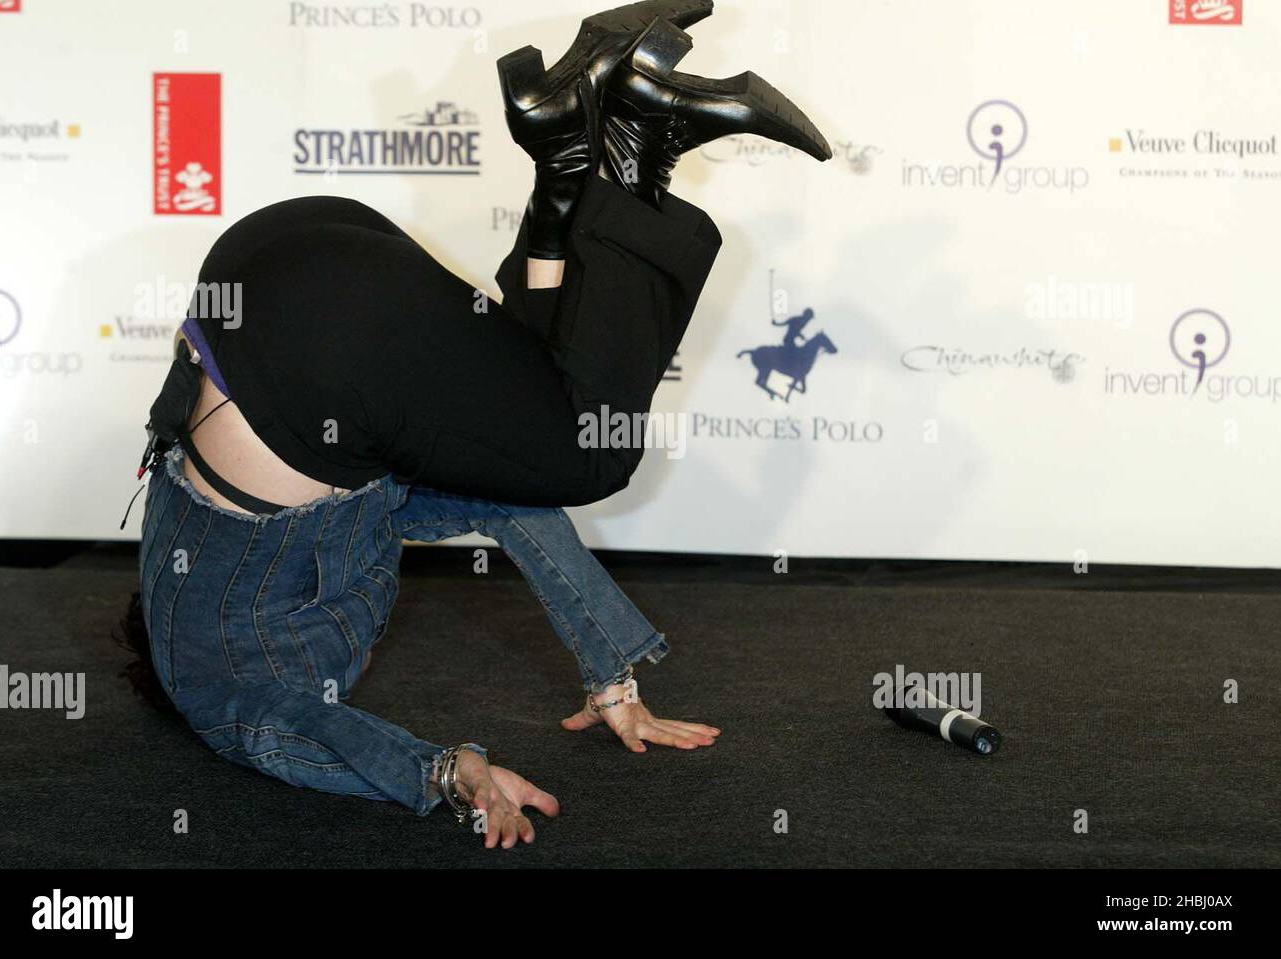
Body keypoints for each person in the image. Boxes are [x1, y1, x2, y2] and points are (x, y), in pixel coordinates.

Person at [120, 1, 829, 849]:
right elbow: (504, 501)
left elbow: (302, 735)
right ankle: (568, 149)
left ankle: (633, 155)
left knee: (588, 456)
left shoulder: (210, 688)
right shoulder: (196, 562)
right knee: (532, 407)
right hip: (276, 254)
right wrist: (612, 678)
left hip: (313, 354)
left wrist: (451, 772)